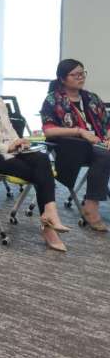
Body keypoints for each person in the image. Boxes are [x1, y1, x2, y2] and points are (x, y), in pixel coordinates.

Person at [0, 60, 69, 252]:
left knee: (42, 158)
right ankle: (49, 226)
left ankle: (50, 213)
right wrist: (6, 147)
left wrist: (19, 141)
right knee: (41, 172)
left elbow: (8, 129)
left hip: (13, 149)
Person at [40, 59, 110, 231]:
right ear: (62, 79)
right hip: (72, 147)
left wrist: (108, 137)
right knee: (104, 154)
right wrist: (79, 131)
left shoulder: (92, 98)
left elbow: (107, 124)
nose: (80, 77)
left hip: (98, 145)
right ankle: (91, 207)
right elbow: (49, 131)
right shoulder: (53, 100)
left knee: (103, 152)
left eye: (82, 73)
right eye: (75, 74)